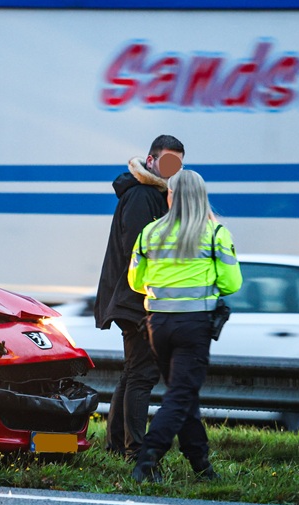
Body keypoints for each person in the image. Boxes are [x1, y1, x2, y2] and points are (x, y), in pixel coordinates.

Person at [127, 169, 242, 483]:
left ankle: (201, 465)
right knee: (180, 395)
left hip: (157, 325)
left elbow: (135, 281)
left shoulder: (149, 232)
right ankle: (146, 461)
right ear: (202, 197)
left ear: (171, 196)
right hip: (194, 325)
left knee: (184, 395)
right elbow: (232, 283)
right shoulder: (216, 233)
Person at [94, 135, 185, 460]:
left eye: (178, 164)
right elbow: (141, 250)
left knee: (134, 371)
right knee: (143, 374)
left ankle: (117, 444)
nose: (172, 170)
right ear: (150, 160)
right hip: (136, 299)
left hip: (133, 297)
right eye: (167, 162)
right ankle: (135, 450)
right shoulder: (143, 195)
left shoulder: (149, 194)